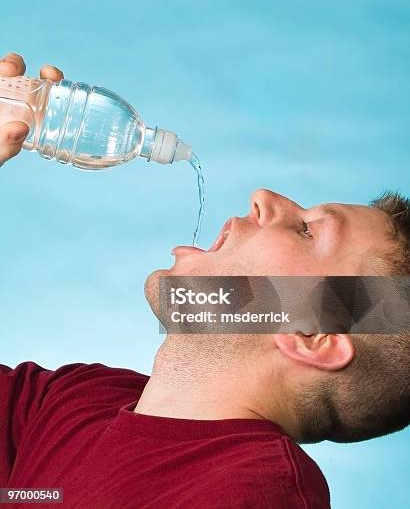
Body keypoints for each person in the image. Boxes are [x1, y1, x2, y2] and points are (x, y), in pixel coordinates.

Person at [0, 53, 409, 509]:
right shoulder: (74, 400)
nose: (264, 198)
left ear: (310, 335)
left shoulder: (255, 495)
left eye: (308, 230)